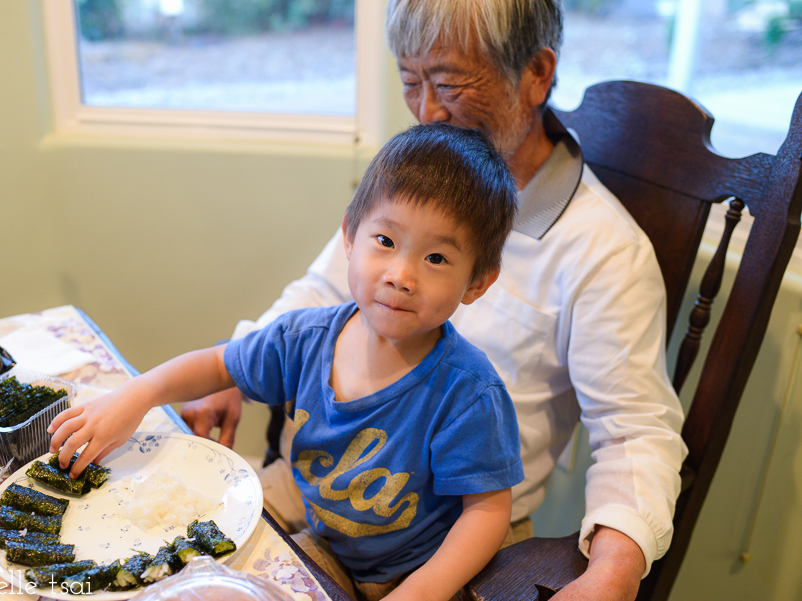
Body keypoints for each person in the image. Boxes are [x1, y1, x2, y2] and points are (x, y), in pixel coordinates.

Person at [180, 1, 688, 600]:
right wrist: (234, 367)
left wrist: (613, 570)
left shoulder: (604, 250)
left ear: (536, 74)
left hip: (453, 538)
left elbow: (634, 432)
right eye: (410, 82)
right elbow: (322, 292)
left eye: (449, 83)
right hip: (319, 489)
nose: (427, 112)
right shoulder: (420, 177)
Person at [50, 122, 525, 601]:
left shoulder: (468, 393)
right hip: (330, 549)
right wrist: (136, 395)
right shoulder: (306, 338)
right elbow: (218, 366)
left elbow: (486, 513)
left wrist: (420, 592)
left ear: (477, 281)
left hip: (427, 575)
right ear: (349, 236)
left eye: (437, 258)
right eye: (385, 241)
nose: (401, 275)